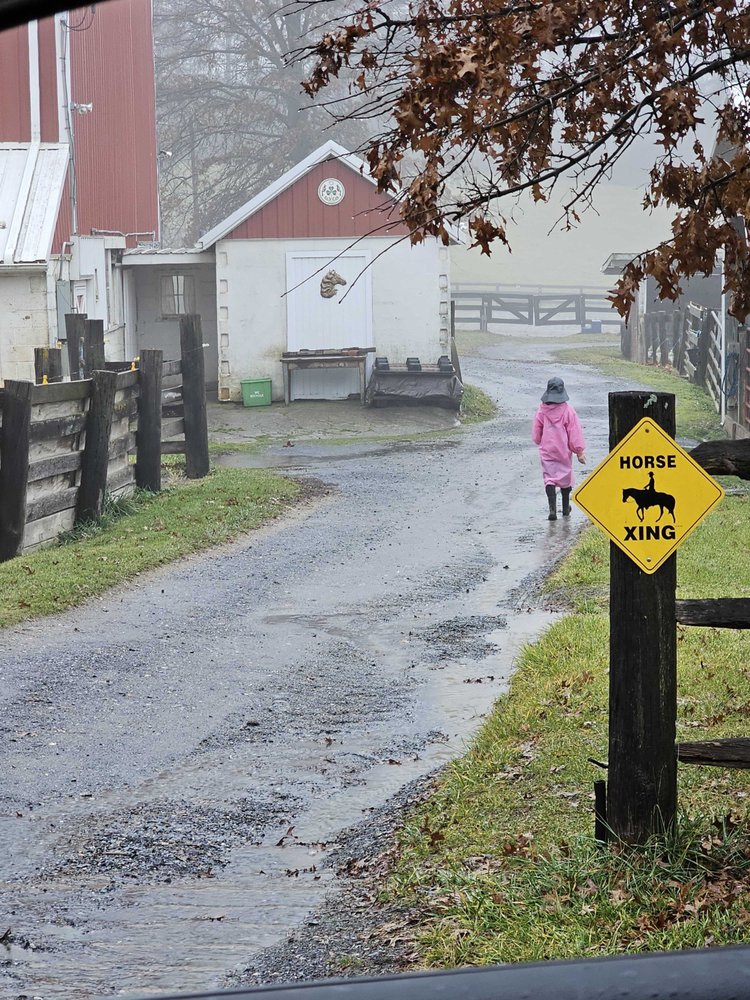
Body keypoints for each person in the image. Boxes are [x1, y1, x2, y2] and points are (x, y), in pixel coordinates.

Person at [531, 376, 586, 521]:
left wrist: (538, 440)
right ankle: (566, 508)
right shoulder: (568, 411)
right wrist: (579, 451)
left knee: (549, 478)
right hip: (563, 451)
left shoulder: (542, 410)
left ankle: (552, 510)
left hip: (547, 450)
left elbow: (537, 431)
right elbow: (574, 432)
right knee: (565, 479)